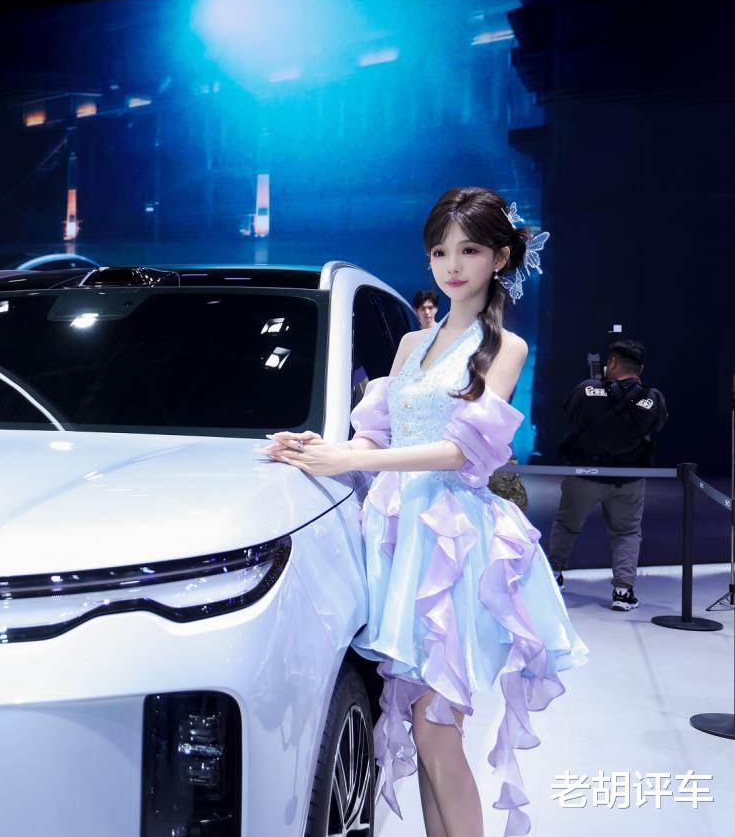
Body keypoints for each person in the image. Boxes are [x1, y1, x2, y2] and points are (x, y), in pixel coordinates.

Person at [264, 187, 585, 837]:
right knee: (423, 724)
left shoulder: (504, 347)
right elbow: (374, 437)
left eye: (468, 250)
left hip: (453, 542)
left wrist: (349, 458)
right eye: (440, 251)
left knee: (438, 727)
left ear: (499, 257)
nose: (452, 265)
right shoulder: (411, 343)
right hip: (399, 537)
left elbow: (460, 452)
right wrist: (319, 447)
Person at [548, 338, 667, 609]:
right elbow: (657, 426)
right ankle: (623, 591)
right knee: (626, 533)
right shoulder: (652, 397)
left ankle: (553, 576)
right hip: (628, 480)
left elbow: (570, 415)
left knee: (566, 525)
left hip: (584, 474)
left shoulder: (586, 389)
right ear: (640, 369)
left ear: (611, 363)